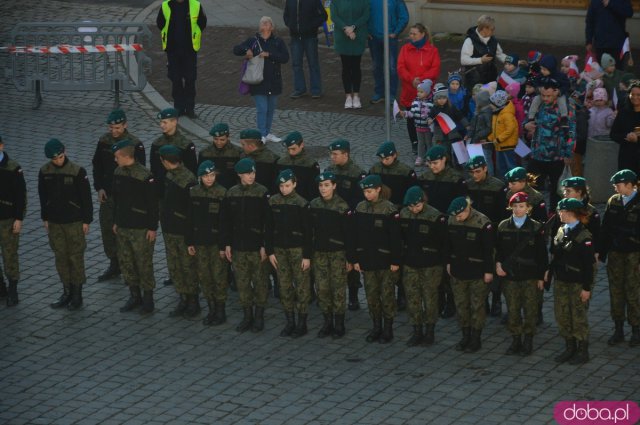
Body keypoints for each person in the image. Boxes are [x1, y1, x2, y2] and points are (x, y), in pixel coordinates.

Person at [39, 140, 93, 311]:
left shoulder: (77, 171)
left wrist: (86, 220)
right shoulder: (45, 171)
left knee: (75, 257)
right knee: (60, 257)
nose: (58, 161)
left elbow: (86, 198)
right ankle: (66, 291)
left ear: (65, 152)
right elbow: (42, 196)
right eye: (54, 159)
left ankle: (77, 294)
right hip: (55, 222)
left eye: (60, 157)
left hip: (74, 222)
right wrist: (45, 217)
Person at [92, 109, 146, 282]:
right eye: (111, 127)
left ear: (125, 125)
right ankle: (114, 264)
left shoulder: (134, 144)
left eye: (117, 127)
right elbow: (97, 166)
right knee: (108, 229)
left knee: (126, 232)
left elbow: (141, 172)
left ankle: (129, 266)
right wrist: (99, 187)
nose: (113, 131)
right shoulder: (104, 141)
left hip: (127, 197)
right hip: (108, 195)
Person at [222, 158, 271, 333]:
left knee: (260, 282)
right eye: (248, 173)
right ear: (240, 175)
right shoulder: (232, 193)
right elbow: (227, 221)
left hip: (256, 245)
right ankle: (247, 315)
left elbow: (268, 222)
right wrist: (227, 244)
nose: (252, 176)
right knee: (242, 282)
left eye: (253, 173)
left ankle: (259, 316)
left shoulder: (262, 192)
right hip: (238, 246)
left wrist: (265, 245)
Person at [496, 192, 547, 356]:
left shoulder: (536, 227)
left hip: (530, 276)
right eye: (515, 206)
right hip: (510, 276)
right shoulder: (503, 226)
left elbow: (542, 255)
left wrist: (541, 277)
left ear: (528, 208)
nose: (518, 210)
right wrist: (498, 265)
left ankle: (528, 339)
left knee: (530, 309)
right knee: (512, 308)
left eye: (522, 206)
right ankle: (515, 338)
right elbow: (499, 250)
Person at [420, 144, 467, 318]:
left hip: (449, 227)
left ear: (444, 160)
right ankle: (437, 299)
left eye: (436, 163)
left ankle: (450, 301)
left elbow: (462, 204)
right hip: (431, 228)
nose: (432, 166)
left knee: (448, 266)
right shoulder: (424, 178)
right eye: (430, 163)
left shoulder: (456, 179)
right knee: (433, 265)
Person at [353, 175, 401, 343]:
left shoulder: (389, 209)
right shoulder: (360, 207)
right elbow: (356, 235)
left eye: (370, 191)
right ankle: (376, 326)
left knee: (387, 295)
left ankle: (388, 328)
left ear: (378, 189)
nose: (367, 194)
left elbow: (395, 238)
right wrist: (356, 258)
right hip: (367, 259)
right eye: (365, 191)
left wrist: (395, 261)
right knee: (371, 294)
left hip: (385, 261)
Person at [112, 140, 159, 314]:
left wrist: (152, 228)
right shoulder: (118, 172)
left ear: (126, 156)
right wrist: (116, 221)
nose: (115, 160)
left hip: (141, 228)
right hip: (123, 225)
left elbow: (153, 205)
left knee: (143, 263)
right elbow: (116, 200)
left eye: (117, 157)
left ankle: (148, 299)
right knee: (126, 262)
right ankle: (134, 295)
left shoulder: (146, 176)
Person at [445, 196, 495, 353]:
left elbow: (489, 250)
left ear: (467, 210)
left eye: (460, 216)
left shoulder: (482, 222)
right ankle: (465, 335)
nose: (457, 219)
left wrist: (488, 271)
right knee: (461, 305)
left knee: (477, 306)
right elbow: (449, 245)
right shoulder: (452, 220)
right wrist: (448, 263)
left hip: (477, 271)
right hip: (459, 270)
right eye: (455, 216)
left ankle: (476, 337)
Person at [548, 197, 595, 365]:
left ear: (572, 213)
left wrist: (586, 288)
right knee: (562, 314)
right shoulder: (562, 230)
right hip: (561, 280)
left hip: (576, 282)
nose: (560, 214)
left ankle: (583, 350)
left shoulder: (584, 236)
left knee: (578, 316)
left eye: (562, 211)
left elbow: (589, 266)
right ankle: (570, 347)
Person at [399, 186, 447, 346]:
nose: (413, 209)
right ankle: (417, 330)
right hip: (410, 263)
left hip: (430, 265)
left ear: (423, 202)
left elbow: (443, 243)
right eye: (411, 206)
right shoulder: (404, 214)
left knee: (430, 298)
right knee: (412, 298)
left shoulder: (435, 216)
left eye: (417, 206)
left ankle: (430, 331)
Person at [267, 169, 312, 338]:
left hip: (298, 251)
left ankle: (302, 323)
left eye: (287, 186)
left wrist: (307, 256)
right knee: (284, 286)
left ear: (294, 184)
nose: (284, 189)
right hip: (279, 251)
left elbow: (308, 232)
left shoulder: (302, 203)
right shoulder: (273, 201)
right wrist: (270, 251)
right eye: (281, 186)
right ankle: (290, 321)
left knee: (301, 287)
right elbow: (269, 228)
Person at [309, 171, 352, 338]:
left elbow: (349, 234)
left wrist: (350, 257)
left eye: (327, 185)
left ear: (334, 186)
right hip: (319, 252)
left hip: (337, 253)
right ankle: (327, 322)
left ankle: (339, 324)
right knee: (322, 288)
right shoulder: (314, 204)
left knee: (338, 288)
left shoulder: (342, 207)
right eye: (320, 185)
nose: (323, 189)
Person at [233, 16, 290, 142]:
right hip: (258, 81)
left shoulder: (277, 41)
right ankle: (262, 134)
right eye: (262, 22)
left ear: (272, 27)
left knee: (270, 109)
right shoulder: (253, 40)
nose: (264, 23)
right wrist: (246, 49)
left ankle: (267, 133)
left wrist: (269, 54)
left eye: (267, 22)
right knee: (262, 109)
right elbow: (236, 49)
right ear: (259, 27)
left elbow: (285, 58)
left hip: (274, 81)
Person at [326, 139, 367, 311]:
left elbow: (359, 201)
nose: (332, 157)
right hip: (332, 222)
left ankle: (353, 296)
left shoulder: (358, 174)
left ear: (346, 154)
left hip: (349, 223)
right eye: (331, 154)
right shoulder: (329, 171)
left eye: (335, 154)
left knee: (351, 258)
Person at [523, 78, 576, 212]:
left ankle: (555, 216)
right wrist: (526, 126)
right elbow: (527, 121)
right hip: (537, 155)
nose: (545, 98)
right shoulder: (538, 104)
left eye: (549, 96)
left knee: (556, 191)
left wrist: (568, 153)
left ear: (556, 92)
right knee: (530, 188)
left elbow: (571, 132)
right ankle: (534, 214)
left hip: (556, 157)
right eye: (543, 95)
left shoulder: (566, 107)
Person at [159, 145, 199, 318]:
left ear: (165, 161)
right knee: (175, 266)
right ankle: (183, 298)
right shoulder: (170, 175)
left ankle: (193, 301)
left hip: (182, 231)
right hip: (170, 229)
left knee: (187, 267)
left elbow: (192, 211)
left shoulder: (188, 180)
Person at [601, 169, 640, 347]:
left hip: (634, 254)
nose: (615, 188)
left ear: (630, 185)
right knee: (616, 291)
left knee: (634, 292)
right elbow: (606, 228)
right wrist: (601, 252)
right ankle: (618, 329)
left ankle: (636, 330)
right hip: (616, 253)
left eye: (618, 185)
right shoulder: (613, 201)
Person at [186, 160, 228, 326]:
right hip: (200, 242)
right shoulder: (194, 192)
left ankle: (220, 310)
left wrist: (223, 246)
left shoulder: (222, 193)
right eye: (206, 176)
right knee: (204, 276)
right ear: (200, 177)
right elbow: (190, 219)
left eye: (212, 175)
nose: (209, 179)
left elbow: (225, 223)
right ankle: (211, 308)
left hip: (216, 243)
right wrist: (190, 241)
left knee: (219, 277)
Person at [465, 155, 507, 316]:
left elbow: (503, 214)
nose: (474, 175)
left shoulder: (498, 187)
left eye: (477, 171)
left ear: (485, 169)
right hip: (474, 233)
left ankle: (496, 299)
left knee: (495, 268)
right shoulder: (468, 186)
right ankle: (481, 300)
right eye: (471, 172)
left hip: (494, 232)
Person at [156, 0, 207, 118]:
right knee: (176, 79)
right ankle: (178, 107)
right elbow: (160, 23)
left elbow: (202, 23)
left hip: (190, 50)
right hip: (173, 50)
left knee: (190, 79)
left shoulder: (195, 5)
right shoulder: (165, 5)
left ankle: (189, 108)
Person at [397, 23, 440, 159]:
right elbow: (400, 67)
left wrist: (421, 80)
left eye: (414, 33)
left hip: (426, 92)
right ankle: (415, 143)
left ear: (422, 34)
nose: (411, 36)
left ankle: (428, 143)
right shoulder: (405, 49)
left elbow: (435, 69)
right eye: (410, 33)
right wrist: (412, 79)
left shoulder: (432, 50)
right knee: (412, 119)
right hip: (410, 90)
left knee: (428, 117)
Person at [0, 135, 26, 307]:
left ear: (1, 146)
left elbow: (21, 196)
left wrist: (19, 218)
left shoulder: (13, 168)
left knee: (9, 254)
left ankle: (13, 289)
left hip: (8, 219)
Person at [283, 0, 328, 99]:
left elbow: (323, 16)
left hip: (310, 37)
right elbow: (286, 15)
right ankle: (299, 89)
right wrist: (290, 24)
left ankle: (316, 90)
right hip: (295, 37)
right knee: (296, 64)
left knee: (313, 63)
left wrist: (311, 26)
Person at [150, 107, 197, 200]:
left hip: (179, 190)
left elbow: (192, 169)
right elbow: (154, 169)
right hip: (161, 190)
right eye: (161, 122)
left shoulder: (186, 144)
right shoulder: (156, 144)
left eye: (165, 122)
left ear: (174, 122)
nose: (161, 125)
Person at [330, 0, 369, 109]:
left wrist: (353, 27)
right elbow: (334, 16)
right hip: (343, 38)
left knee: (356, 67)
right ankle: (348, 96)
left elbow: (365, 15)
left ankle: (356, 95)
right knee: (346, 67)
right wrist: (346, 28)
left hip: (357, 37)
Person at [367, 0, 408, 104]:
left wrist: (395, 32)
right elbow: (364, 14)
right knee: (377, 66)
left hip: (390, 39)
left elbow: (404, 16)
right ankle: (379, 93)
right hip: (374, 38)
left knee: (392, 67)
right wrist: (367, 31)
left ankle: (391, 94)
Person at [460, 15, 506, 90]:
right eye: (492, 29)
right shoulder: (470, 41)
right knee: (476, 97)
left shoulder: (493, 40)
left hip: (490, 80)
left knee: (488, 95)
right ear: (484, 28)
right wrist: (480, 60)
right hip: (475, 81)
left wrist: (513, 61)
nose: (494, 30)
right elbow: (464, 60)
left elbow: (500, 54)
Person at [585, 0, 634, 70]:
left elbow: (629, 12)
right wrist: (588, 41)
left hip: (617, 43)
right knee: (600, 72)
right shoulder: (595, 2)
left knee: (617, 71)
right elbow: (590, 21)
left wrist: (610, 4)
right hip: (600, 43)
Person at [369, 141, 417, 208]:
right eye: (381, 159)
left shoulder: (406, 171)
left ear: (394, 155)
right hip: (379, 206)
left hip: (399, 206)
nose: (384, 161)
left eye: (387, 159)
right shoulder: (374, 169)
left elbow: (412, 193)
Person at [276, 131, 320, 201]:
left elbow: (314, 190)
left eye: (293, 149)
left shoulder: (310, 164)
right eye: (288, 149)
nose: (291, 152)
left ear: (302, 145)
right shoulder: (281, 162)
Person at [197, 123, 243, 189]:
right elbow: (200, 175)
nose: (218, 142)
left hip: (231, 191)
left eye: (222, 140)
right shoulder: (204, 153)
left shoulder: (238, 153)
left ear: (228, 137)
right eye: (215, 139)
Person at [400, 79, 434, 165]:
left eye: (421, 92)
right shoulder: (415, 102)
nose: (419, 93)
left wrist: (431, 119)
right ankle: (420, 156)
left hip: (427, 127)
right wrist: (405, 113)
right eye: (418, 91)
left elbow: (433, 114)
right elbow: (412, 113)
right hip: (418, 127)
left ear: (427, 92)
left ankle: (429, 157)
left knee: (428, 143)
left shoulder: (431, 103)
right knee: (420, 143)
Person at [610, 80, 640, 176]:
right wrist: (626, 136)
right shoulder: (623, 113)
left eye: (638, 95)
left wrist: (637, 139)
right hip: (626, 158)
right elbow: (613, 134)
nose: (635, 97)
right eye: (632, 94)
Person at [488, 90, 518, 179]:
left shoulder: (507, 114)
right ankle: (505, 183)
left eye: (491, 103)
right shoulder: (496, 113)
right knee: (501, 167)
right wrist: (489, 139)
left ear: (498, 104)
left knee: (510, 166)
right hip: (499, 145)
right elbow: (495, 130)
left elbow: (510, 130)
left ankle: (514, 181)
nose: (490, 105)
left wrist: (498, 139)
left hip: (507, 145)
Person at [239, 128, 280, 194]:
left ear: (251, 146)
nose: (241, 147)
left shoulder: (273, 159)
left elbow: (275, 183)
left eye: (243, 144)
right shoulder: (242, 156)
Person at [465, 90, 495, 176]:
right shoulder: (478, 111)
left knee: (486, 160)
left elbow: (489, 128)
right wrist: (469, 134)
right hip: (477, 141)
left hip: (484, 141)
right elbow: (473, 126)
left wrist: (478, 136)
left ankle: (490, 177)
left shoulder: (487, 113)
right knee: (479, 161)